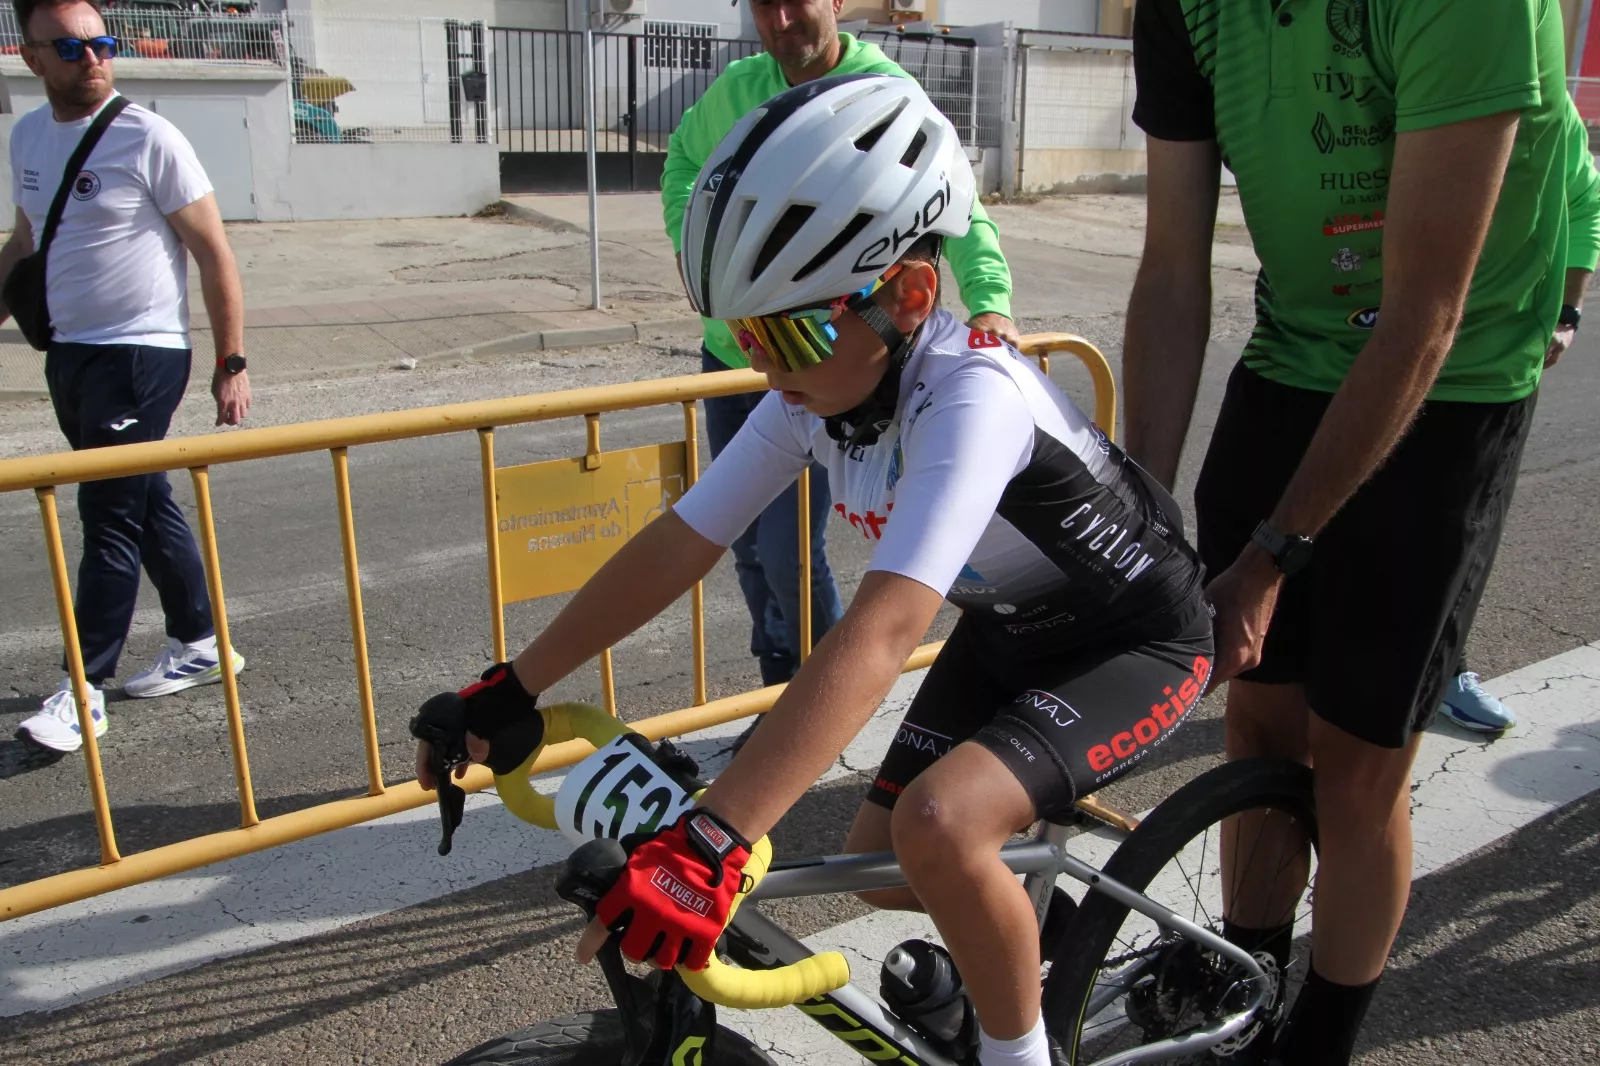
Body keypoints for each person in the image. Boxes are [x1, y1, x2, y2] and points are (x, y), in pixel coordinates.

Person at [418, 76, 1210, 1066]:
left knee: (938, 824)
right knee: (882, 867)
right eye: (743, 333)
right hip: (1015, 631)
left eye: (783, 332)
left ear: (908, 296)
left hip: (1136, 641)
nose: (759, 362)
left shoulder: (974, 397)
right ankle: (1020, 969)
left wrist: (715, 839)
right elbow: (682, 539)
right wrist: (514, 682)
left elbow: (880, 631)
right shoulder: (813, 391)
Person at [1124, 1, 1574, 1062]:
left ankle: (1320, 1036)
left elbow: (1423, 316)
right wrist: (1139, 511)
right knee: (1258, 719)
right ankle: (1242, 970)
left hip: (1450, 380)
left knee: (1356, 763)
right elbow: (1171, 272)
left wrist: (1274, 552)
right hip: (1295, 349)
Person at [661, 0, 1017, 733]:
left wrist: (990, 301)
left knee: (788, 551)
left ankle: (811, 707)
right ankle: (780, 696)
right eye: (764, 2)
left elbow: (957, 203)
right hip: (758, 359)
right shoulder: (733, 89)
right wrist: (705, 255)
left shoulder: (884, 89)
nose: (783, 16)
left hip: (829, 358)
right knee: (750, 552)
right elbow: (683, 169)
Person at [3, 0, 250, 755]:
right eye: (71, 48)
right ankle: (203, 642)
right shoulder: (29, 136)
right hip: (70, 353)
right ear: (30, 57)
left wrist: (229, 363)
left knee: (105, 516)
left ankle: (85, 690)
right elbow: (24, 241)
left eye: (101, 43)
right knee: (143, 501)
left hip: (142, 353)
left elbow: (214, 252)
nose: (93, 58)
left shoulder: (149, 136)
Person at [1441, 96, 1599, 736]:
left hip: (1485, 367)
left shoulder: (1548, 109)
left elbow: (1585, 204)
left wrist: (1567, 313)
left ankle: (1445, 671)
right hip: (1363, 348)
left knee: (1456, 530)